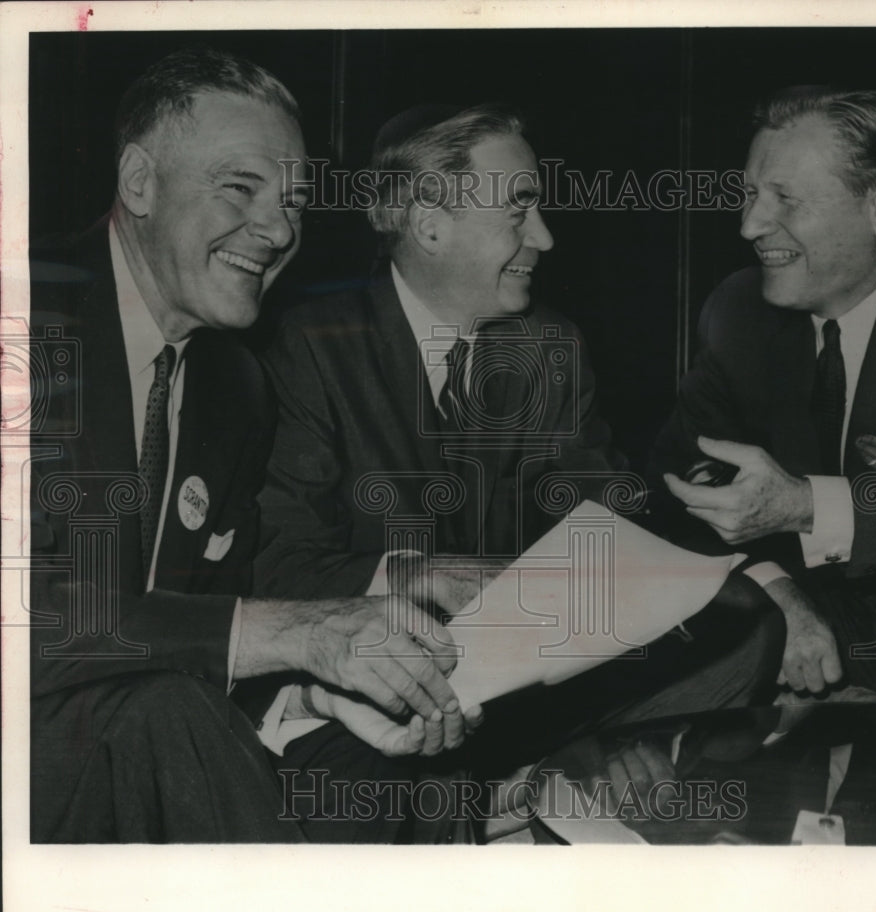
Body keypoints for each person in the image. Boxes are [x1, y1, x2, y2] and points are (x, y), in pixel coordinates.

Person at [250, 104, 783, 799]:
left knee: (745, 618)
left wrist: (735, 567)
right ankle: (533, 785)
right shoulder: (307, 346)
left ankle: (573, 769)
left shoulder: (547, 347)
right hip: (375, 686)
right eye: (519, 210)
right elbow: (272, 564)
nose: (545, 237)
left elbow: (610, 510)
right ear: (429, 221)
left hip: (520, 673)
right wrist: (413, 573)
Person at [29, 49, 465, 843]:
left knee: (380, 757)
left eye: (294, 201)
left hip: (140, 741)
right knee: (166, 710)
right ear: (139, 183)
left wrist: (306, 695)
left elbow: (192, 630)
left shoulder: (235, 386)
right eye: (241, 188)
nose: (277, 229)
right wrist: (290, 634)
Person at [651, 86, 876, 843]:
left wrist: (807, 508)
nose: (749, 226)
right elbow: (681, 467)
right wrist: (775, 590)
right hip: (825, 602)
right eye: (747, 195)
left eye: (783, 200)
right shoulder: (742, 309)